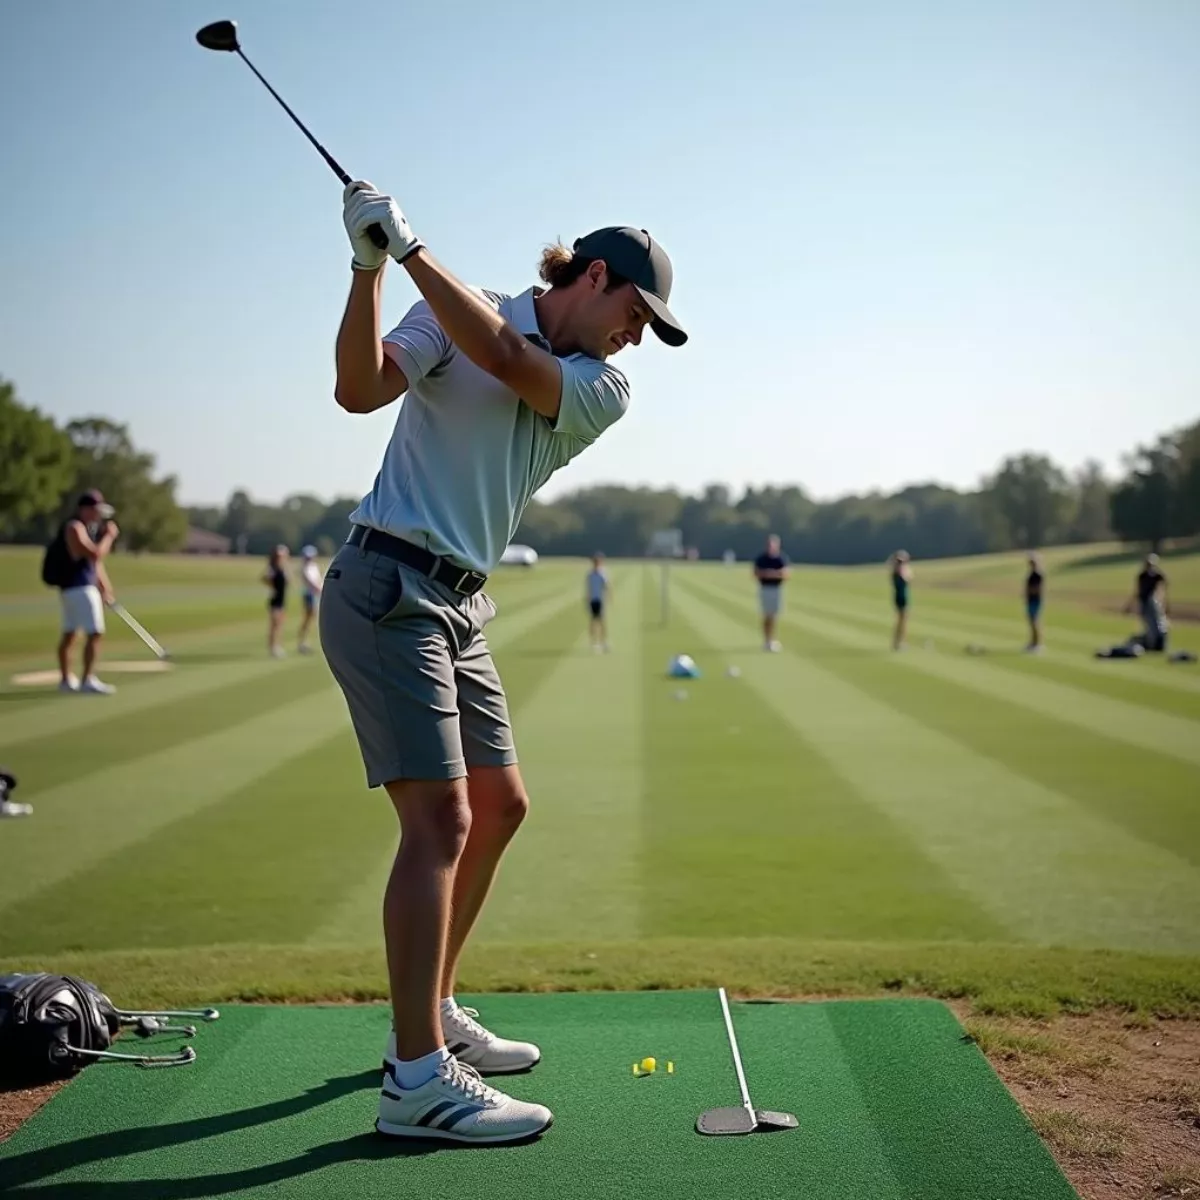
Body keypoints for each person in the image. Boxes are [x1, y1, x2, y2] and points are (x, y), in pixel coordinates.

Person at [320, 181, 685, 1144]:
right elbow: (358, 391)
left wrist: (408, 249)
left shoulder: (602, 387)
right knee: (440, 818)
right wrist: (367, 271)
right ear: (595, 278)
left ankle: (431, 1014)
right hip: (386, 585)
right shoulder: (451, 309)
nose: (634, 339)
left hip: (461, 603)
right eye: (635, 316)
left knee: (502, 804)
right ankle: (414, 1080)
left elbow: (506, 354)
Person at [56, 491, 119, 694]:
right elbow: (95, 553)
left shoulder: (88, 529)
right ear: (84, 509)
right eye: (94, 510)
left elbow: (94, 563)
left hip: (82, 587)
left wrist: (104, 586)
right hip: (78, 587)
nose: (98, 515)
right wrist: (109, 536)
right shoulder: (75, 527)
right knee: (95, 633)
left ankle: (67, 680)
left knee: (71, 634)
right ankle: (86, 679)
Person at [1126, 553, 1169, 651]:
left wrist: (1162, 600)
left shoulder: (1156, 575)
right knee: (1148, 623)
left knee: (1155, 623)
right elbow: (1137, 591)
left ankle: (1154, 642)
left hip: (1152, 602)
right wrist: (1130, 605)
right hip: (1144, 602)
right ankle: (1151, 642)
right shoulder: (1142, 576)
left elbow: (1164, 584)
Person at [753, 534, 789, 652]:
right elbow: (756, 573)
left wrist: (770, 573)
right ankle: (767, 640)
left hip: (776, 589)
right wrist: (772, 573)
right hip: (765, 588)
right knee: (767, 615)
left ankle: (771, 639)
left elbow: (785, 574)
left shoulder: (780, 558)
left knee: (774, 615)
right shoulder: (761, 558)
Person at [263, 545, 289, 658]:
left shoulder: (282, 568)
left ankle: (276, 646)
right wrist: (272, 587)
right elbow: (264, 578)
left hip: (282, 599)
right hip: (275, 599)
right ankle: (273, 647)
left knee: (279, 624)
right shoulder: (273, 568)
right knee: (275, 625)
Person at [298, 545, 323, 655]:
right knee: (308, 619)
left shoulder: (313, 566)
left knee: (311, 619)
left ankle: (305, 642)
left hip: (315, 595)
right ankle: (302, 642)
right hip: (309, 595)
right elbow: (309, 582)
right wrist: (319, 589)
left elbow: (318, 580)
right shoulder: (305, 567)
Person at [585, 553, 610, 652]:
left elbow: (606, 586)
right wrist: (587, 599)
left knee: (602, 621)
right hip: (593, 600)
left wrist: (608, 597)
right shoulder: (590, 575)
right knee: (593, 621)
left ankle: (603, 642)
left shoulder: (602, 574)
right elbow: (588, 588)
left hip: (600, 600)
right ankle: (593, 642)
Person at [890, 550, 912, 651]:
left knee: (901, 621)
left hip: (900, 597)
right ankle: (900, 642)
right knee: (902, 622)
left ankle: (897, 642)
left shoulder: (895, 572)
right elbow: (908, 577)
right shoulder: (899, 573)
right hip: (902, 598)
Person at [1024, 552, 1044, 653]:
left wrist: (1030, 591)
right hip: (1030, 600)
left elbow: (1037, 589)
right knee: (1032, 622)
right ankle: (1032, 642)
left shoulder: (1037, 575)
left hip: (1035, 600)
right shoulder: (1031, 574)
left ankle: (1037, 644)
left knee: (1035, 622)